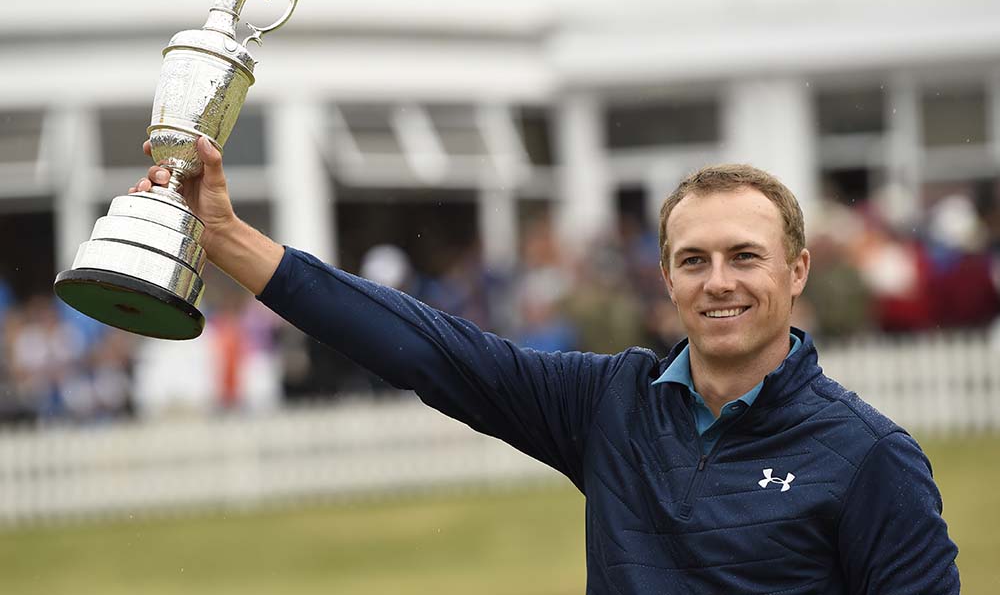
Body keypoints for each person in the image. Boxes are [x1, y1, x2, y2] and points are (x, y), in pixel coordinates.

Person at [131, 137, 960, 593]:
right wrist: (227, 237)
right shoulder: (610, 403)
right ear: (664, 275)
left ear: (798, 271)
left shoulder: (869, 457)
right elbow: (426, 349)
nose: (720, 283)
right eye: (694, 259)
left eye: (746, 256)